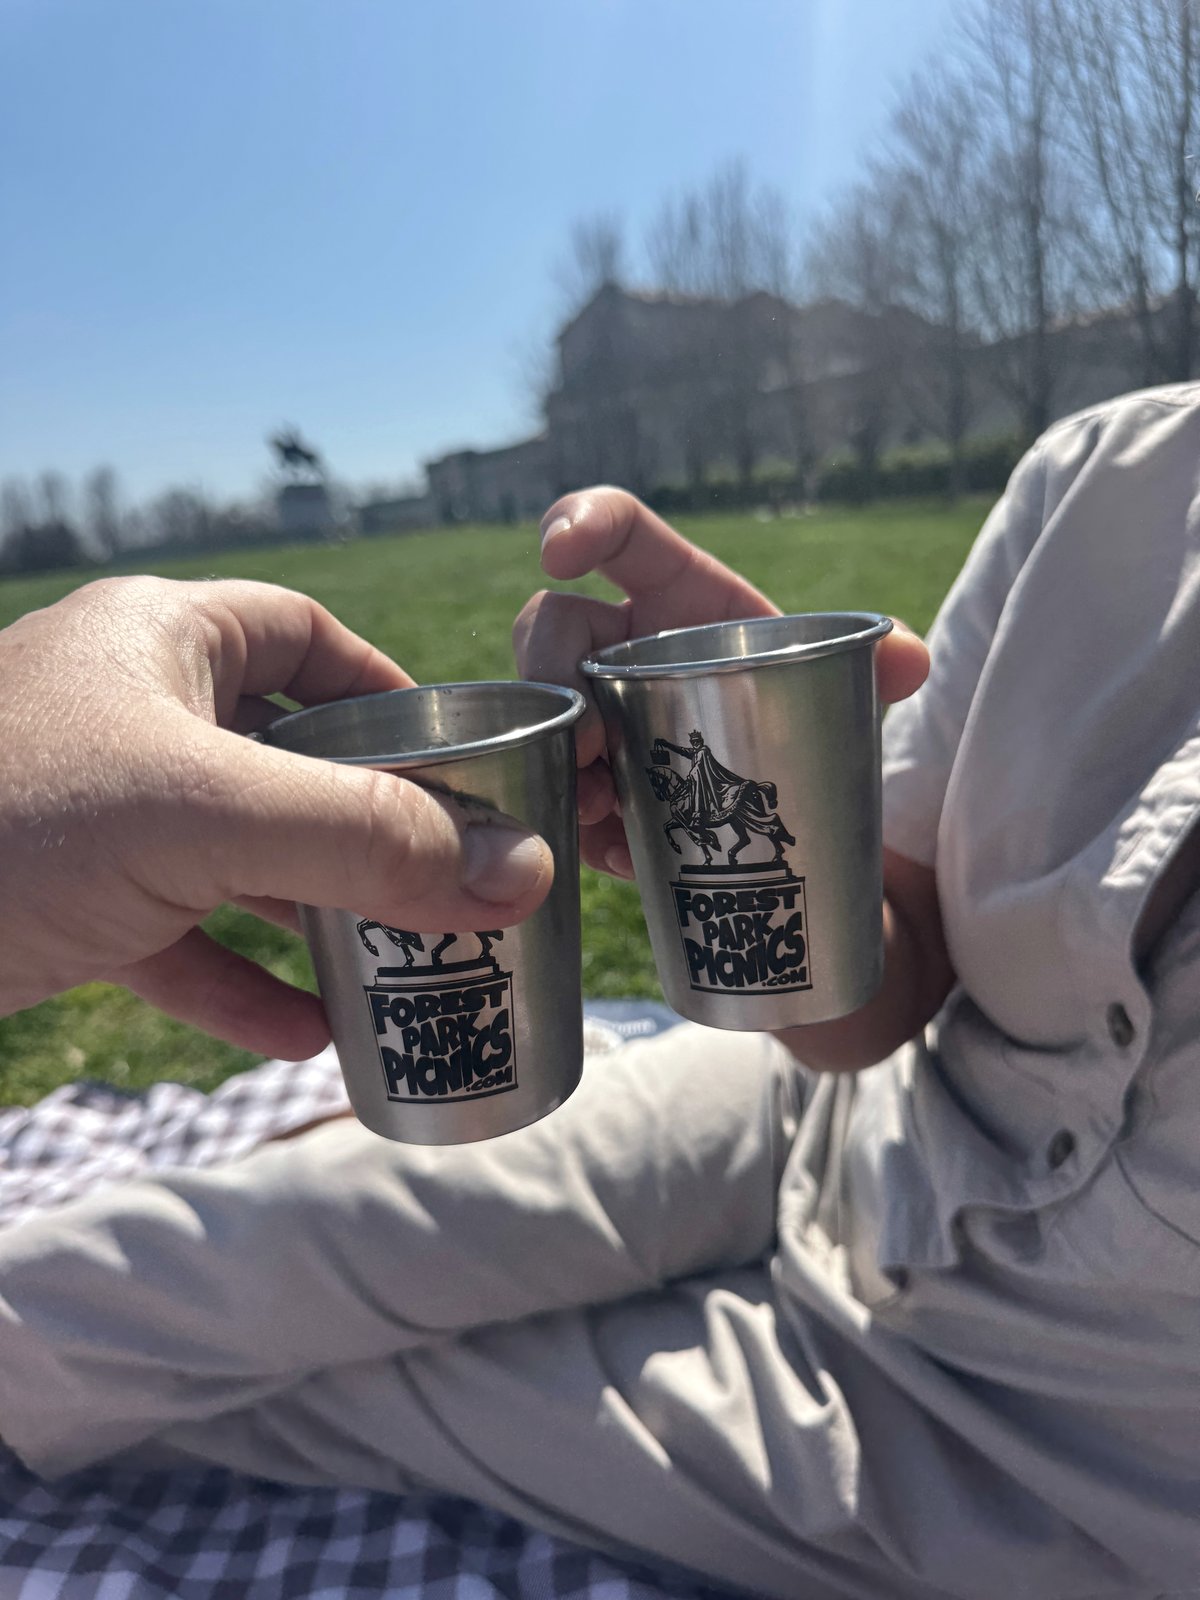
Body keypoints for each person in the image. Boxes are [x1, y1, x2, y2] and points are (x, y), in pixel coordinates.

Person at [0, 382, 1198, 1600]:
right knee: (200, 1264)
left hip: (1008, 1442)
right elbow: (887, 991)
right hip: (838, 1109)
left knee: (340, 1390)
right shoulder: (1114, 473)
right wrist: (767, 774)